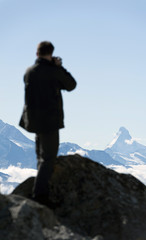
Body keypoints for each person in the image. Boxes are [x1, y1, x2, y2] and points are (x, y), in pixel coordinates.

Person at [19, 41, 76, 205]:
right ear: (51, 53)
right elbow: (71, 85)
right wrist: (59, 67)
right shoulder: (53, 71)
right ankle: (40, 196)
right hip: (49, 120)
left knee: (40, 156)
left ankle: (40, 191)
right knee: (49, 158)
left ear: (37, 54)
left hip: (33, 120)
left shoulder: (29, 72)